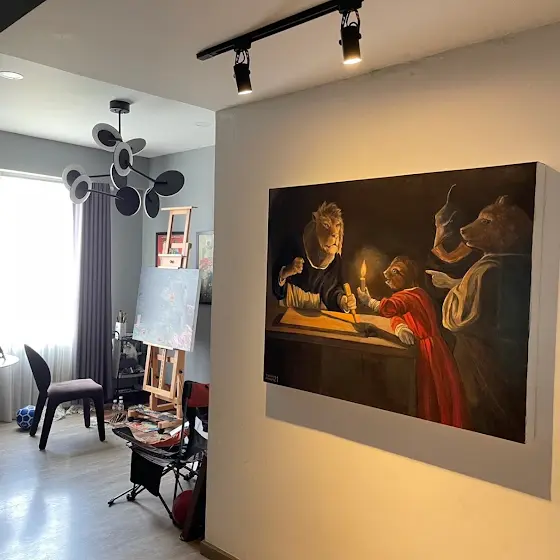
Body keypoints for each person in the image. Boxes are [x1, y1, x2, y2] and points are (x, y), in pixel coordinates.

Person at [357, 256, 467, 428]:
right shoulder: (417, 294)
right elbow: (398, 315)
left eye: (396, 272)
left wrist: (368, 301)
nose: (387, 274)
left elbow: (390, 308)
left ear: (407, 278)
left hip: (429, 352)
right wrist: (400, 326)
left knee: (434, 391)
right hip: (434, 349)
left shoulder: (411, 296)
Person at [271, 201, 356, 313]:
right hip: (288, 309)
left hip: (316, 312)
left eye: (337, 226)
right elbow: (276, 288)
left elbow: (330, 291)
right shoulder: (294, 244)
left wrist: (342, 301)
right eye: (326, 225)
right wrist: (287, 271)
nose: (335, 233)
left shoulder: (335, 261)